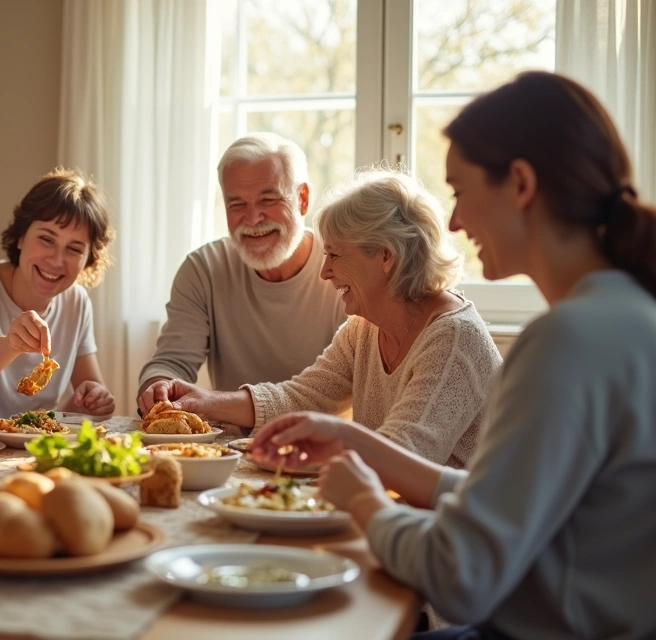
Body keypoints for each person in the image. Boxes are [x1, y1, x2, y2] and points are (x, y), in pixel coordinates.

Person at [252, 71, 656, 639]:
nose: (456, 221)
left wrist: (364, 500)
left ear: (521, 184)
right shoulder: (625, 316)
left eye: (461, 191)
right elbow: (501, 500)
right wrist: (348, 438)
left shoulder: (567, 342)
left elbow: (460, 574)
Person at [162, 170, 499, 467]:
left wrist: (327, 441)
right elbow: (302, 397)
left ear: (386, 256)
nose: (324, 271)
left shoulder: (453, 337)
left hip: (452, 517)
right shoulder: (364, 328)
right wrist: (205, 402)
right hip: (392, 504)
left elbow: (404, 454)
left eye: (335, 255)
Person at [137, 133, 346, 414]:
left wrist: (215, 403)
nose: (252, 218)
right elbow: (172, 361)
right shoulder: (203, 269)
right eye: (236, 204)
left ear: (303, 199)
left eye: (268, 199)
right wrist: (159, 386)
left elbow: (338, 388)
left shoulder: (344, 266)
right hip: (232, 439)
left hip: (326, 439)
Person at [0, 168, 116, 424]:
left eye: (74, 249)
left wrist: (94, 400)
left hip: (36, 442)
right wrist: (11, 345)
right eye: (46, 239)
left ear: (88, 259)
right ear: (20, 236)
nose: (56, 260)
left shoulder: (77, 301)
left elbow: (88, 392)